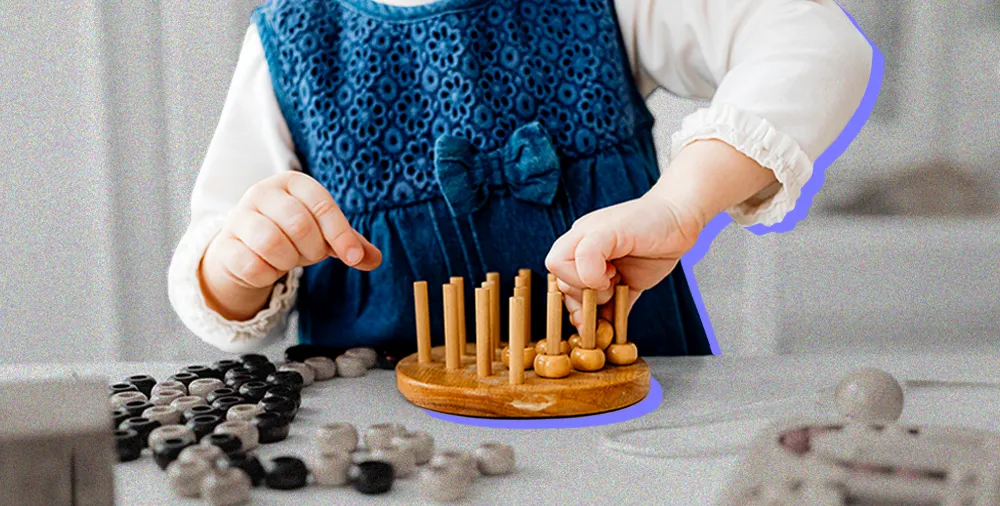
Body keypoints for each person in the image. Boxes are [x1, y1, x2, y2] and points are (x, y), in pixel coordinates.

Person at [168, 0, 872, 356]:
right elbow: (208, 269)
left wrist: (682, 203)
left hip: (627, 439)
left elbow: (814, 46)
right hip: (391, 475)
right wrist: (238, 262)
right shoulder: (291, 45)